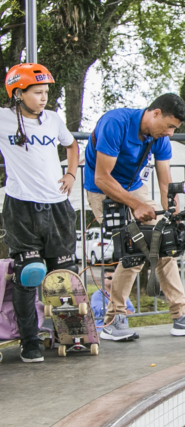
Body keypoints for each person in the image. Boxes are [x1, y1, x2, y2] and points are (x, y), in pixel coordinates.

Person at [84, 93, 185, 340]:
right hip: (103, 190)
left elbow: (165, 179)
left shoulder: (158, 136)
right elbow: (101, 177)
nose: (170, 133)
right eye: (169, 126)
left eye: (174, 129)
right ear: (155, 113)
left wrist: (173, 212)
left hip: (134, 188)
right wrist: (135, 204)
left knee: (164, 242)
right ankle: (114, 320)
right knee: (134, 249)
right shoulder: (116, 123)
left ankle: (182, 315)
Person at [0, 63, 79, 362]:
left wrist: (71, 174)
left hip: (57, 205)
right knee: (28, 273)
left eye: (46, 92)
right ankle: (29, 340)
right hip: (21, 206)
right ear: (18, 93)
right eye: (37, 92)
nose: (44, 97)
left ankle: (68, 333)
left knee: (63, 273)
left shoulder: (53, 120)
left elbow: (71, 146)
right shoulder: (4, 119)